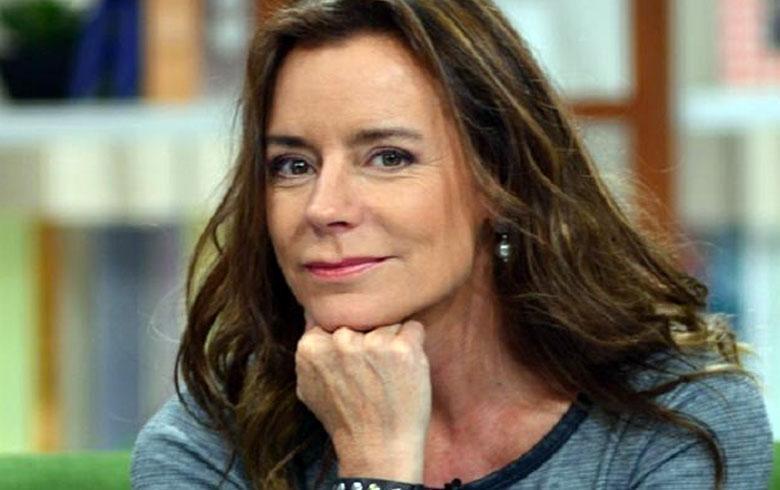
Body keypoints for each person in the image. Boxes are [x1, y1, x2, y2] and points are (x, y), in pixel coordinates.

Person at [131, 1, 773, 489]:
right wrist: (376, 464)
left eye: (388, 157)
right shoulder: (205, 449)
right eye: (292, 165)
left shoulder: (676, 419)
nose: (323, 209)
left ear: (500, 180)